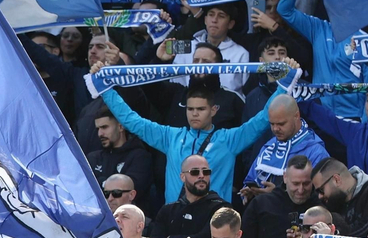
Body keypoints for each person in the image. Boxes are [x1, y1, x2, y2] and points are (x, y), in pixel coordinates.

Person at [100, 85, 276, 203]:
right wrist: (106, 90)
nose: (194, 114)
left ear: (214, 110)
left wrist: (284, 87)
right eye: (190, 109)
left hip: (215, 221)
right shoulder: (170, 136)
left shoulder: (229, 139)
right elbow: (132, 121)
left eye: (201, 109)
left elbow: (261, 121)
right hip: (175, 217)